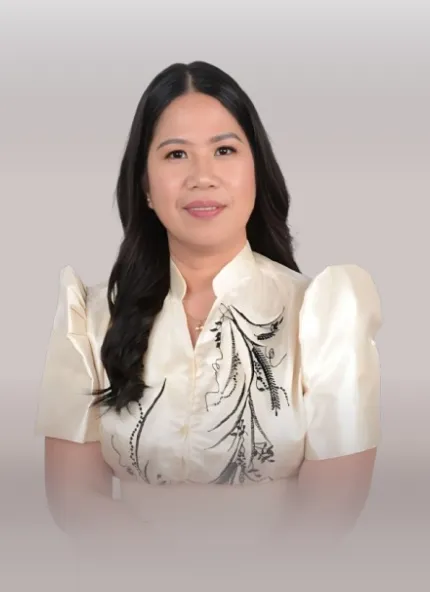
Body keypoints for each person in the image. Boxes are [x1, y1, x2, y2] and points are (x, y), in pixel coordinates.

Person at [35, 61, 382, 561]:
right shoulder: (89, 319)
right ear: (145, 186)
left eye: (224, 150)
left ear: (256, 170)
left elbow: (332, 508)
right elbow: (75, 499)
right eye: (176, 154)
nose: (202, 177)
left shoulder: (324, 314)